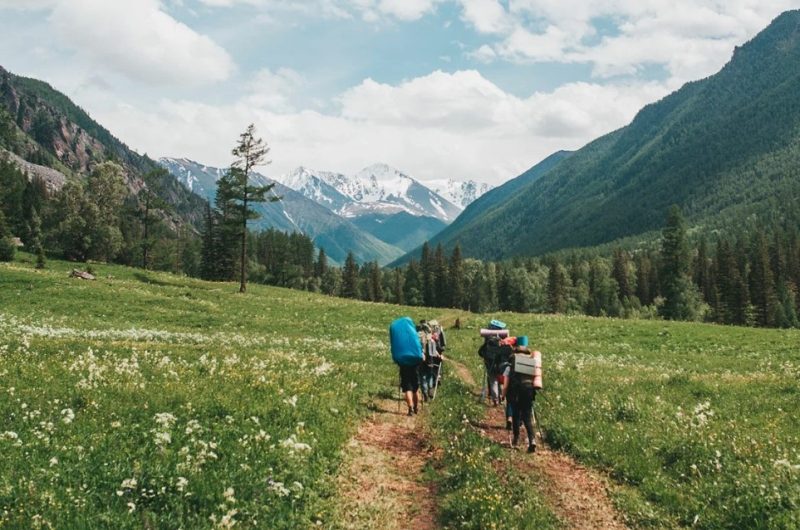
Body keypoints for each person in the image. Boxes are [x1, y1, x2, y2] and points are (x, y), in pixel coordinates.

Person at [507, 336, 537, 453]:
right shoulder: (531, 358)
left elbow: (509, 376)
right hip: (529, 389)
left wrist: (505, 393)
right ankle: (532, 440)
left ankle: (516, 438)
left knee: (516, 414)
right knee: (527, 416)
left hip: (517, 389)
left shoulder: (513, 357)